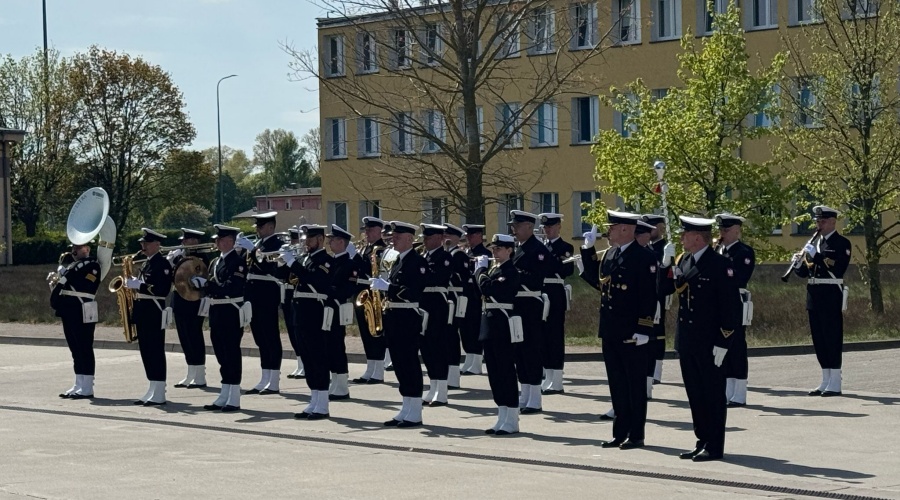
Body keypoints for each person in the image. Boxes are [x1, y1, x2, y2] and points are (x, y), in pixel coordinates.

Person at [579, 212, 657, 450]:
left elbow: (648, 296)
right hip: (611, 328)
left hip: (632, 331)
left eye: (611, 227)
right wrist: (587, 250)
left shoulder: (644, 257)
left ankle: (636, 434)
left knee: (634, 384)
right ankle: (619, 432)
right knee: (617, 384)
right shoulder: (611, 254)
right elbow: (597, 281)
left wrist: (643, 328)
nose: (608, 231)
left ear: (625, 229)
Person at [673, 216, 739, 462]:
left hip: (711, 342)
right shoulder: (685, 261)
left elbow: (731, 307)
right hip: (688, 340)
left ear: (698, 237)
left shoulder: (720, 265)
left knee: (712, 394)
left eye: (685, 234)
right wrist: (664, 267)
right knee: (695, 394)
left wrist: (724, 341)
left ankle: (715, 445)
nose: (681, 238)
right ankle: (701, 440)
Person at [370, 221, 427, 428]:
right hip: (394, 316)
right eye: (393, 236)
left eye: (398, 237)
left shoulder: (417, 262)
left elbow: (414, 291)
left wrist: (389, 288)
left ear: (410, 239)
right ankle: (406, 406)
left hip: (408, 317)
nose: (392, 239)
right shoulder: (398, 261)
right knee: (399, 364)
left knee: (410, 363)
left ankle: (415, 411)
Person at [791, 205, 851, 397]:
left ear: (833, 222)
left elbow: (837, 268)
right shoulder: (815, 243)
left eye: (822, 221)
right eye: (817, 221)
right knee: (819, 340)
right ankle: (825, 379)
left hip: (830, 294)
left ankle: (835, 382)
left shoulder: (842, 243)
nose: (819, 225)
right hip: (814, 294)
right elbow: (807, 272)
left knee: (831, 337)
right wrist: (798, 264)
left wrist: (816, 256)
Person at [194, 225, 247, 412]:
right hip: (217, 310)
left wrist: (207, 285)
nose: (217, 242)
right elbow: (215, 285)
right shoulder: (216, 261)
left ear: (230, 242)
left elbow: (231, 287)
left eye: (220, 240)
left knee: (231, 353)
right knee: (220, 352)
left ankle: (234, 396)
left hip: (231, 310)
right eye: (217, 240)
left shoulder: (238, 261)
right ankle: (225, 392)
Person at [283, 225, 333, 419]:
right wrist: (283, 264)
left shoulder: (326, 261)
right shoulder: (306, 258)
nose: (305, 242)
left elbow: (314, 280)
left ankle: (323, 404)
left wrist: (293, 264)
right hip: (301, 314)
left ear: (320, 239)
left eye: (309, 239)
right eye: (304, 239)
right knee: (307, 358)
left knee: (318, 358)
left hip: (315, 314)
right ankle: (314, 400)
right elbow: (292, 279)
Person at [475, 234, 521, 435]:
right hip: (489, 324)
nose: (494, 252)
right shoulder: (495, 270)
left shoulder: (511, 271)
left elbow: (490, 288)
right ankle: (501, 415)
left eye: (499, 248)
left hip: (502, 325)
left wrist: (480, 272)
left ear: (510, 250)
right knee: (494, 373)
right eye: (493, 248)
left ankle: (512, 419)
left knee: (505, 371)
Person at [508, 210, 551, 414]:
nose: (513, 230)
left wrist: (511, 274)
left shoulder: (538, 249)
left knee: (531, 350)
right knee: (519, 352)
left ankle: (535, 398)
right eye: (513, 226)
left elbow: (536, 278)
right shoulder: (519, 249)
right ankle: (525, 394)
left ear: (528, 227)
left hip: (530, 305)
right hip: (517, 305)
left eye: (517, 226)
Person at [126, 228, 174, 406]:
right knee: (146, 350)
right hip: (143, 309)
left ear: (156, 244)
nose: (143, 246)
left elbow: (161, 289)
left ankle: (160, 390)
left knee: (155, 350)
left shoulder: (162, 264)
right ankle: (152, 386)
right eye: (142, 243)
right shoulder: (147, 263)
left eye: (146, 243)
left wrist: (140, 285)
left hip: (154, 310)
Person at [715, 214, 756, 406]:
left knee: (737, 345)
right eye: (721, 230)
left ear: (737, 230)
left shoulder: (744, 252)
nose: (722, 233)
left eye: (726, 230)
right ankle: (726, 390)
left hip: (736, 301)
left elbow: (738, 278)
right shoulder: (718, 251)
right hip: (720, 301)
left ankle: (739, 392)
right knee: (723, 344)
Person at [51, 243, 101, 399]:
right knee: (75, 349)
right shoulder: (74, 265)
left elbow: (86, 284)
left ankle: (88, 386)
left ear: (86, 249)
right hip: (68, 309)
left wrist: (66, 275)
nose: (74, 251)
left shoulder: (92, 265)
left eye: (78, 248)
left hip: (81, 309)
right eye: (73, 248)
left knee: (84, 347)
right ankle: (78, 383)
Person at [243, 212, 285, 395]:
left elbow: (271, 269)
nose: (258, 231)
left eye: (260, 227)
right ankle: (265, 376)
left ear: (270, 227)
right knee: (260, 337)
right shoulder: (259, 244)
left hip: (268, 294)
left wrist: (253, 250)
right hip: (254, 295)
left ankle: (274, 380)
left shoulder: (278, 245)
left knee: (271, 337)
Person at [538, 213, 575, 396]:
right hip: (541, 292)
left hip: (555, 292)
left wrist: (545, 255)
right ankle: (547, 376)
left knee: (554, 335)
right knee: (543, 335)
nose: (547, 230)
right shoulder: (542, 247)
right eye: (545, 227)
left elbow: (565, 269)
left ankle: (557, 379)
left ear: (559, 226)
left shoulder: (565, 247)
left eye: (551, 226)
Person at [168, 228, 209, 389]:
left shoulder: (201, 257)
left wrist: (180, 260)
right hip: (179, 299)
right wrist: (171, 261)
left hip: (194, 300)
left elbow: (198, 275)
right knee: (184, 337)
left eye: (191, 240)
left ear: (196, 242)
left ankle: (200, 374)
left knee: (194, 335)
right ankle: (190, 372)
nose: (187, 243)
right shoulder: (179, 256)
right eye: (185, 240)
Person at [418, 223, 454, 406]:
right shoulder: (423, 256)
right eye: (424, 237)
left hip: (437, 305)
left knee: (438, 346)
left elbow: (436, 278)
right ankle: (433, 386)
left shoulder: (444, 257)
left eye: (429, 237)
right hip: (425, 305)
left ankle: (442, 391)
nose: (424, 240)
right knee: (427, 348)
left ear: (439, 238)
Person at [352, 217, 389, 384]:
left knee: (376, 332)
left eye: (370, 230)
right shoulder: (365, 248)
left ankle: (378, 370)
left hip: (375, 294)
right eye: (366, 230)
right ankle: (370, 367)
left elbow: (379, 272)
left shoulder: (381, 249)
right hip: (362, 293)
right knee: (366, 333)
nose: (366, 232)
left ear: (379, 230)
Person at [326, 224, 358, 401]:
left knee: (337, 346)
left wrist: (328, 290)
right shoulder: (330, 261)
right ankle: (334, 381)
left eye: (332, 240)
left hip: (338, 308)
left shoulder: (349, 264)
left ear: (341, 242)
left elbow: (347, 289)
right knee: (328, 347)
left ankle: (342, 385)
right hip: (326, 308)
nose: (329, 242)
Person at [642, 214, 675, 386]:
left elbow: (669, 281)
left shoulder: (665, 248)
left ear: (661, 228)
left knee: (658, 333)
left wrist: (667, 263)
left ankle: (657, 370)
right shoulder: (644, 248)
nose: (649, 231)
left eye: (652, 227)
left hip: (659, 296)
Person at [460, 224, 490, 375]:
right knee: (466, 329)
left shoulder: (485, 254)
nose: (468, 239)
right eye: (467, 236)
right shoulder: (466, 253)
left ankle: (477, 362)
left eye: (471, 235)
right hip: (466, 295)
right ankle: (469, 359)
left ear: (479, 235)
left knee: (475, 327)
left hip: (477, 296)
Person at [443, 223, 470, 389]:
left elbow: (463, 277)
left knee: (451, 335)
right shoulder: (447, 254)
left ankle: (453, 376)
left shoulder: (458, 255)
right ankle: (447, 373)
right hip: (447, 296)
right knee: (446, 336)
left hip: (454, 296)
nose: (444, 238)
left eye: (448, 235)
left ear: (455, 238)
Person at [280, 226, 305, 379]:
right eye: (291, 239)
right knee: (291, 329)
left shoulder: (302, 257)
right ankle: (300, 363)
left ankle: (304, 364)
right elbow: (279, 275)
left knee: (300, 331)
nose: (293, 243)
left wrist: (293, 260)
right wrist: (282, 262)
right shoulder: (289, 254)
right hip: (287, 292)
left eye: (295, 239)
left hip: (298, 293)